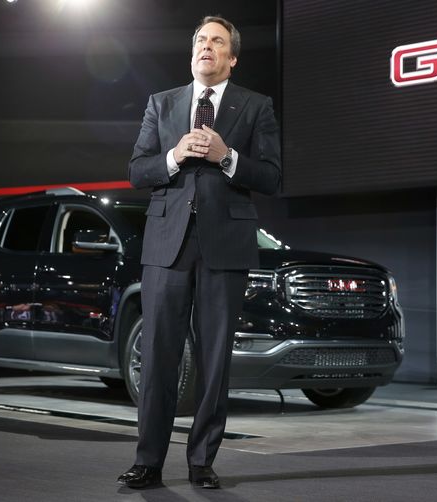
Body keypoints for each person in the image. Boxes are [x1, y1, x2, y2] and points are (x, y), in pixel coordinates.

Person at [118, 15, 281, 489]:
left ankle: (201, 462)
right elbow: (137, 170)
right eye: (201, 41)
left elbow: (271, 177)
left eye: (217, 42)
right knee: (159, 356)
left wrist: (225, 157)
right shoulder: (162, 104)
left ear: (231, 58)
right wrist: (174, 157)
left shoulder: (256, 107)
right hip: (166, 245)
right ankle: (148, 461)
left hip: (224, 247)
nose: (207, 47)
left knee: (213, 361)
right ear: (193, 53)